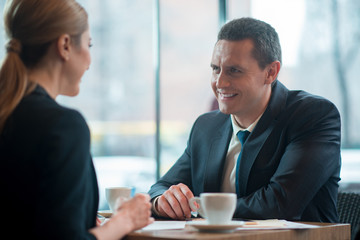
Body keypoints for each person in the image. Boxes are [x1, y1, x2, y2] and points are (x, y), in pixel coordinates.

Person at [148, 17, 341, 223]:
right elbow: (161, 187)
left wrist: (198, 206)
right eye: (215, 69)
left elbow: (280, 204)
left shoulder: (313, 115)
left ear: (270, 72)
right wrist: (163, 201)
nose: (220, 82)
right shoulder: (206, 127)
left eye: (234, 70)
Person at [0, 0, 153, 239]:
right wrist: (123, 221)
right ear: (65, 45)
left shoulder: (9, 112)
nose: (90, 61)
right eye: (89, 44)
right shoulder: (63, 125)